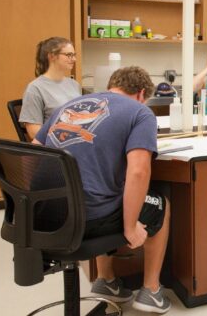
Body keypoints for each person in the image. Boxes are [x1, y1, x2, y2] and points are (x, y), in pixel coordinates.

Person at [33, 66, 172, 314]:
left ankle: (106, 281)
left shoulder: (70, 105)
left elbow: (32, 151)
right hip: (87, 219)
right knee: (159, 204)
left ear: (112, 86)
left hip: (40, 214)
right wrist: (130, 227)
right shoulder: (141, 113)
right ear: (141, 94)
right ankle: (151, 290)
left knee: (108, 192)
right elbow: (139, 172)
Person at [19, 37, 81, 141]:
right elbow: (34, 133)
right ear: (52, 56)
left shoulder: (74, 84)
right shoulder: (35, 88)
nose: (74, 59)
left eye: (74, 55)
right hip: (56, 146)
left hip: (77, 140)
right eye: (69, 55)